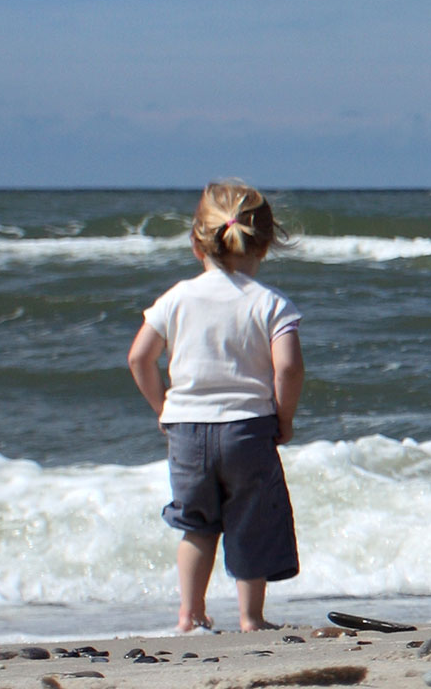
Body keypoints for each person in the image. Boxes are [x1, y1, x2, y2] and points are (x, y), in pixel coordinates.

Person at [126, 181, 305, 634]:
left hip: (186, 427)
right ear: (264, 244)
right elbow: (287, 368)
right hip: (248, 428)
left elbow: (139, 357)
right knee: (251, 520)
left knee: (197, 525)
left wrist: (162, 407)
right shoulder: (270, 304)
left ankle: (190, 614)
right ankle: (250, 617)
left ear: (196, 242)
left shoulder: (176, 298)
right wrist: (283, 416)